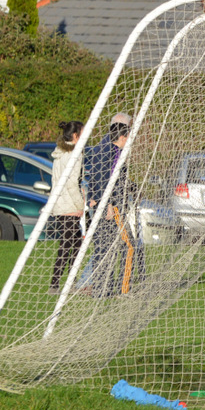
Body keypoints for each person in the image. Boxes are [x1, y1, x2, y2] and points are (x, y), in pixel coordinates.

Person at [88, 120, 138, 297]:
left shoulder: (106, 150)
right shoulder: (111, 152)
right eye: (129, 137)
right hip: (111, 207)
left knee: (104, 248)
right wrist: (107, 203)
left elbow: (95, 176)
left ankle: (103, 289)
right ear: (123, 137)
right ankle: (122, 289)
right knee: (128, 245)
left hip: (106, 204)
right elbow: (102, 178)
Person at [48, 120, 86, 295]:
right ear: (75, 136)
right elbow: (70, 183)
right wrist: (80, 204)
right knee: (67, 244)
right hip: (69, 205)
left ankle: (69, 283)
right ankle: (55, 285)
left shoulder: (60, 152)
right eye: (83, 133)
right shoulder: (74, 155)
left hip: (59, 203)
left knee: (75, 242)